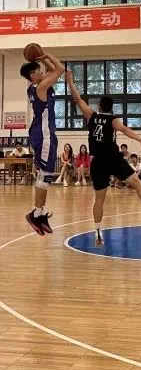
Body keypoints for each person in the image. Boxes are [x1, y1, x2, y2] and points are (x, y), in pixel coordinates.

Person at [66, 71, 141, 246]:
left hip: (98, 161)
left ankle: (98, 232)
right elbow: (126, 130)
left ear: (99, 106)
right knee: (136, 182)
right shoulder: (113, 120)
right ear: (111, 108)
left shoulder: (91, 115)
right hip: (112, 158)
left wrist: (70, 82)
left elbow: (77, 99)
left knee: (99, 200)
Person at [20, 52, 64, 235]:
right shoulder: (40, 87)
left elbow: (53, 70)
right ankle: (35, 213)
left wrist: (43, 60)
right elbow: (59, 69)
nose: (43, 72)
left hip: (44, 134)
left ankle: (41, 212)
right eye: (39, 71)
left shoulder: (38, 87)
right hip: (43, 135)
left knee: (46, 175)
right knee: (45, 176)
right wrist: (46, 54)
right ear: (33, 75)